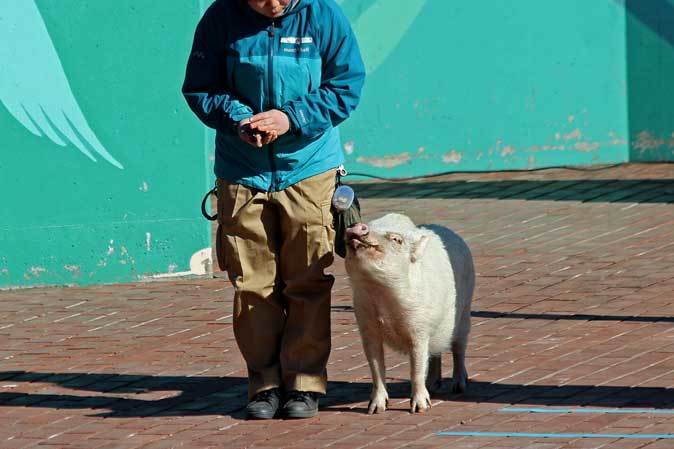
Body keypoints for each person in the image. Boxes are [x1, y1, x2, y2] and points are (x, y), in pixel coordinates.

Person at [182, 0, 365, 419]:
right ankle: (263, 385)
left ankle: (303, 384)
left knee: (307, 280)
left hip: (310, 168)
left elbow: (346, 85)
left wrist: (290, 117)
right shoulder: (220, 18)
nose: (273, 5)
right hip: (241, 172)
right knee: (252, 285)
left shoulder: (324, 16)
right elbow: (201, 89)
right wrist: (239, 118)